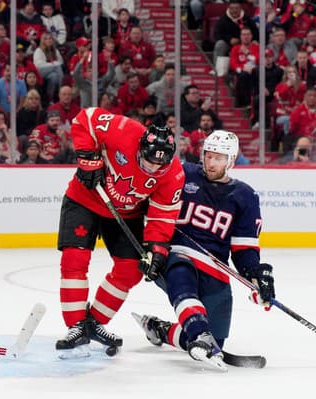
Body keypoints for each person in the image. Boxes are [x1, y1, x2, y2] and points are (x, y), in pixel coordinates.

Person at [133, 130, 276, 371]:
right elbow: (147, 191)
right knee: (182, 274)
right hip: (172, 252)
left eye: (218, 158)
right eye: (208, 156)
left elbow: (243, 249)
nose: (211, 162)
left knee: (215, 342)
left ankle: (161, 329)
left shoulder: (245, 196)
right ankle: (199, 332)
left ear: (231, 160)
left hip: (212, 266)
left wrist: (256, 277)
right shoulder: (183, 172)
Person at [56, 110, 184, 356]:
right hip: (85, 198)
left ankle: (93, 323)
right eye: (149, 161)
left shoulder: (173, 175)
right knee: (75, 258)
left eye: (160, 164)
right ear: (140, 149)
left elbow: (162, 215)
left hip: (125, 213)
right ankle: (75, 326)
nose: (153, 168)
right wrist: (88, 158)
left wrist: (156, 247)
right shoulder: (124, 130)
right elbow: (85, 119)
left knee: (131, 268)